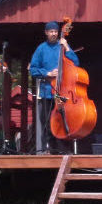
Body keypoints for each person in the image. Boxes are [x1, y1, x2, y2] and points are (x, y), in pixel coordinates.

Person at [29, 21, 81, 155]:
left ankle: (64, 150)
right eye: (51, 31)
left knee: (63, 121)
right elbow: (33, 69)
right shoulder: (41, 49)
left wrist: (67, 47)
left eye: (55, 31)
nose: (53, 34)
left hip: (63, 91)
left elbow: (75, 63)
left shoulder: (63, 46)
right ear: (46, 33)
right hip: (47, 91)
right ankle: (50, 150)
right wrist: (47, 73)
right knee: (47, 122)